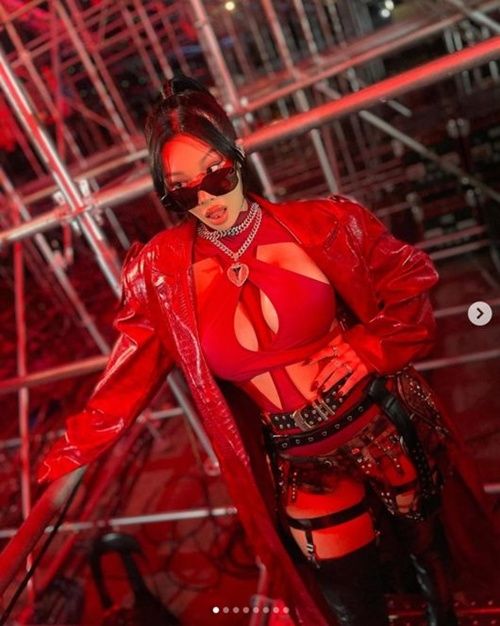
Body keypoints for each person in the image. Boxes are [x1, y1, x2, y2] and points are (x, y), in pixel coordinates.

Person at [38, 75, 498, 626]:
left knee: (433, 570)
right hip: (300, 457)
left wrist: (370, 348)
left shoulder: (324, 224)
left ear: (237, 156)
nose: (207, 200)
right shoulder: (160, 274)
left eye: (217, 175)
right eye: (182, 191)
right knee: (352, 606)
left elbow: (412, 282)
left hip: (379, 426)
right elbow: (125, 380)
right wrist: (69, 459)